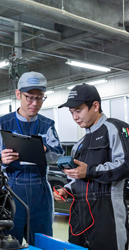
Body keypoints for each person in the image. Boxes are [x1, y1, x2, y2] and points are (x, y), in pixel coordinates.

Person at [0, 71, 64, 246]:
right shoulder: (3, 124)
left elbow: (58, 154)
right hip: (12, 191)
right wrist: (1, 159)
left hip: (40, 192)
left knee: (42, 242)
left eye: (40, 98)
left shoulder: (47, 125)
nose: (35, 103)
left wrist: (45, 149)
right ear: (18, 94)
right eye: (29, 97)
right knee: (8, 242)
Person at [54, 83, 129, 250]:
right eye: (71, 112)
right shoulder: (78, 145)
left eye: (78, 111)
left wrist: (89, 171)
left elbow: (125, 164)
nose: (74, 117)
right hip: (79, 214)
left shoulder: (116, 128)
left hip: (107, 211)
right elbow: (75, 177)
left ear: (95, 106)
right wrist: (66, 190)